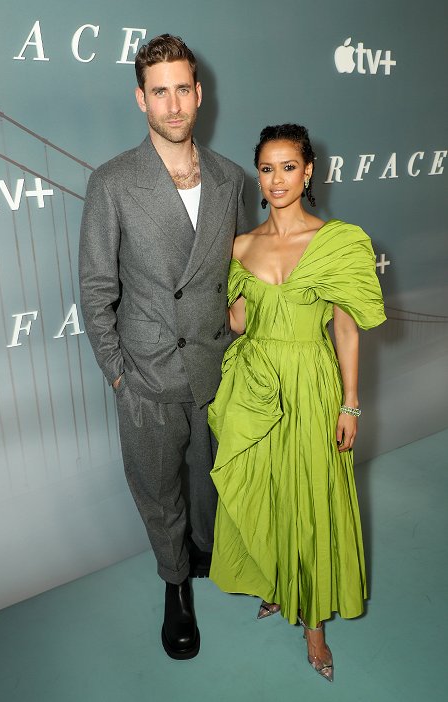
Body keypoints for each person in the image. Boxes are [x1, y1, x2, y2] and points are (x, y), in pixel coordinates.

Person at [79, 34, 247, 660]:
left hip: (212, 366)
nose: (173, 105)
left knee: (208, 485)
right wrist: (120, 375)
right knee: (158, 492)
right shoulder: (113, 182)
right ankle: (176, 589)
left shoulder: (231, 179)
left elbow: (234, 275)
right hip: (146, 375)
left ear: (199, 94)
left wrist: (239, 319)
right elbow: (97, 288)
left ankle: (203, 555)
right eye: (159, 92)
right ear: (140, 100)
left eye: (183, 89)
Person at [208, 124, 385, 682]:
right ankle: (280, 586)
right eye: (267, 168)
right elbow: (238, 322)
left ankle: (314, 623)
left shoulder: (338, 242)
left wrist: (350, 405)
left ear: (309, 172)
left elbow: (347, 330)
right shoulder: (238, 246)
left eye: (289, 167)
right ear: (257, 177)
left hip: (312, 384)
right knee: (271, 489)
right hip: (257, 384)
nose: (278, 178)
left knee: (313, 495)